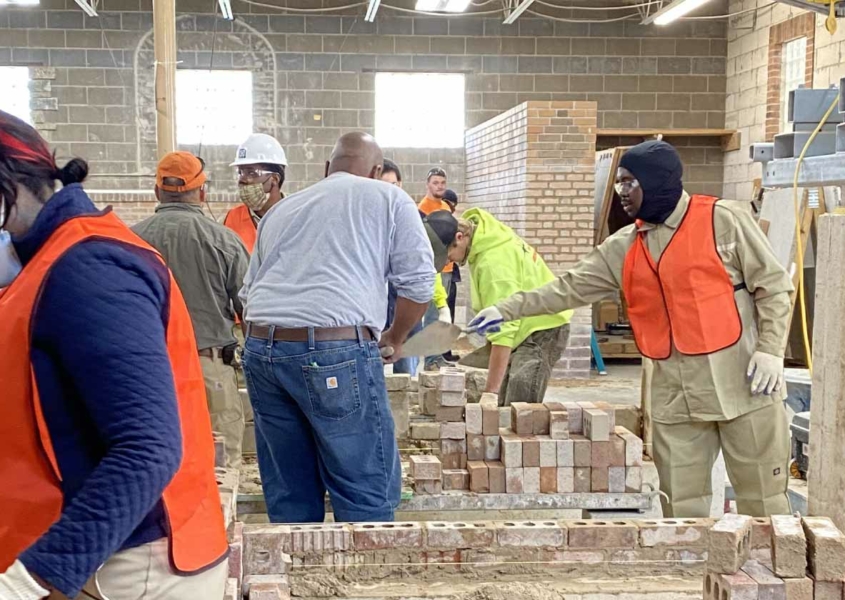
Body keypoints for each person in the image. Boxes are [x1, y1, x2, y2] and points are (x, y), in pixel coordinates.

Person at [470, 140, 793, 518]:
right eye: (620, 182)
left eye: (629, 182)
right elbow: (568, 289)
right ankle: (692, 575)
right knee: (682, 505)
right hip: (675, 395)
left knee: (763, 500)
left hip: (744, 384)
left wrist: (771, 349)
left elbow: (773, 286)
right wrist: (505, 308)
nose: (621, 192)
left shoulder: (723, 221)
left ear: (657, 182)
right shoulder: (624, 246)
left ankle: (767, 575)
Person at [0, 111, 228, 599]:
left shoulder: (89, 269)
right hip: (84, 549)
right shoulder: (43, 260)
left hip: (127, 568)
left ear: (11, 183)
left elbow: (148, 449)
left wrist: (31, 580)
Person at [239, 132, 435, 523]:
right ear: (377, 172)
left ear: (326, 169)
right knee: (363, 479)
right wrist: (394, 338)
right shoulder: (390, 198)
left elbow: (248, 293)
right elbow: (418, 285)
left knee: (289, 484)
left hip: (263, 349)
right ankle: (362, 570)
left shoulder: (283, 210)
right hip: (334, 352)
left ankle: (294, 568)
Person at [133, 151, 250, 469]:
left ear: (157, 191)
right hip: (208, 368)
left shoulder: (129, 241)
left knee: (153, 468)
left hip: (146, 372)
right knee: (219, 470)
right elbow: (251, 311)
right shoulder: (224, 241)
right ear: (202, 192)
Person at [447, 208, 573, 406]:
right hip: (527, 325)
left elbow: (504, 329)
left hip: (542, 328)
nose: (449, 261)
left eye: (448, 254)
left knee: (519, 406)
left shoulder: (493, 262)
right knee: (505, 407)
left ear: (460, 237)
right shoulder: (483, 241)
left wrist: (490, 392)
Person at [223, 133, 287, 253]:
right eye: (240, 172)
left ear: (274, 179)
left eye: (251, 173)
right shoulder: (231, 219)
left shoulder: (296, 216)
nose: (242, 179)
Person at [418, 167, 454, 370]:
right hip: (434, 269)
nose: (439, 186)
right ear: (428, 185)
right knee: (433, 315)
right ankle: (431, 360)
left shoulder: (446, 208)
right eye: (435, 183)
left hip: (447, 266)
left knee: (442, 316)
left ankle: (438, 356)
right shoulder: (423, 209)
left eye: (442, 183)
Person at [442, 188, 462, 362]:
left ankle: (445, 350)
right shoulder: (443, 221)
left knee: (448, 312)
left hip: (450, 272)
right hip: (443, 273)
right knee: (443, 312)